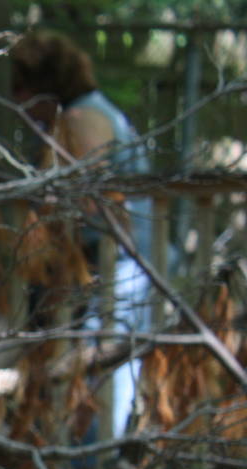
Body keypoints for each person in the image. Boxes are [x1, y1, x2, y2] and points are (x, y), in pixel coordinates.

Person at [9, 28, 153, 437]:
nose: (17, 102)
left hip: (117, 267)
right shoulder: (88, 112)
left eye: (21, 88)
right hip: (101, 269)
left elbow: (87, 201)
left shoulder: (82, 119)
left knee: (98, 376)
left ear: (44, 85)